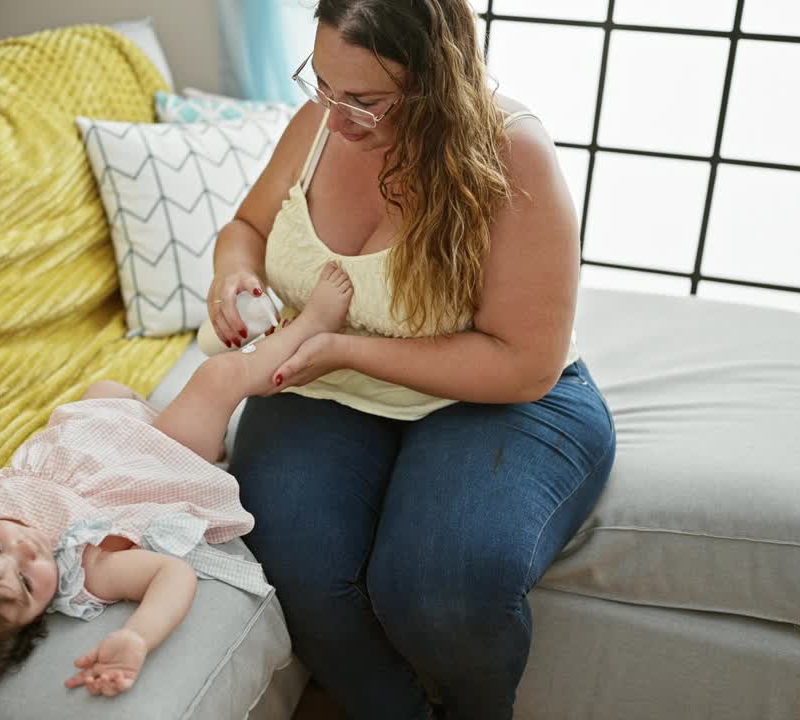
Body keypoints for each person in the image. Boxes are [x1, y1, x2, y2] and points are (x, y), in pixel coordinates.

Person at [204, 1, 616, 718]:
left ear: (437, 82)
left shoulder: (511, 155)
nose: (334, 117)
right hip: (327, 386)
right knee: (292, 567)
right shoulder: (320, 125)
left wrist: (338, 346)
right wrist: (233, 273)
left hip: (495, 397)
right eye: (321, 84)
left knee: (441, 587)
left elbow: (525, 363)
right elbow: (245, 226)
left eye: (364, 101)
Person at [0, 263, 355, 715]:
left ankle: (157, 411)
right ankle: (312, 326)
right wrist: (139, 637)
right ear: (34, 623)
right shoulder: (83, 571)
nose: (23, 549)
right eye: (26, 582)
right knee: (215, 379)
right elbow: (172, 575)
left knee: (106, 389)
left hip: (100, 435)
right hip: (159, 461)